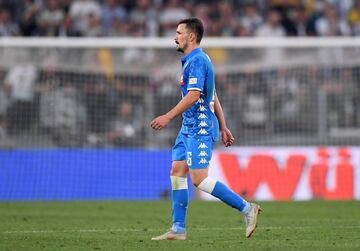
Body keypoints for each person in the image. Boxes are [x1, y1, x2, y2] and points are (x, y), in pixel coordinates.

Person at [150, 18, 261, 241]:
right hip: (188, 127)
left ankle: (247, 208)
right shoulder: (192, 60)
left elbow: (193, 96)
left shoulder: (198, 60)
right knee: (177, 171)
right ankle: (178, 228)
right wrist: (223, 125)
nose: (175, 37)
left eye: (179, 32)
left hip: (200, 127)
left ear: (191, 36)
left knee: (199, 179)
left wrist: (168, 116)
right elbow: (212, 95)